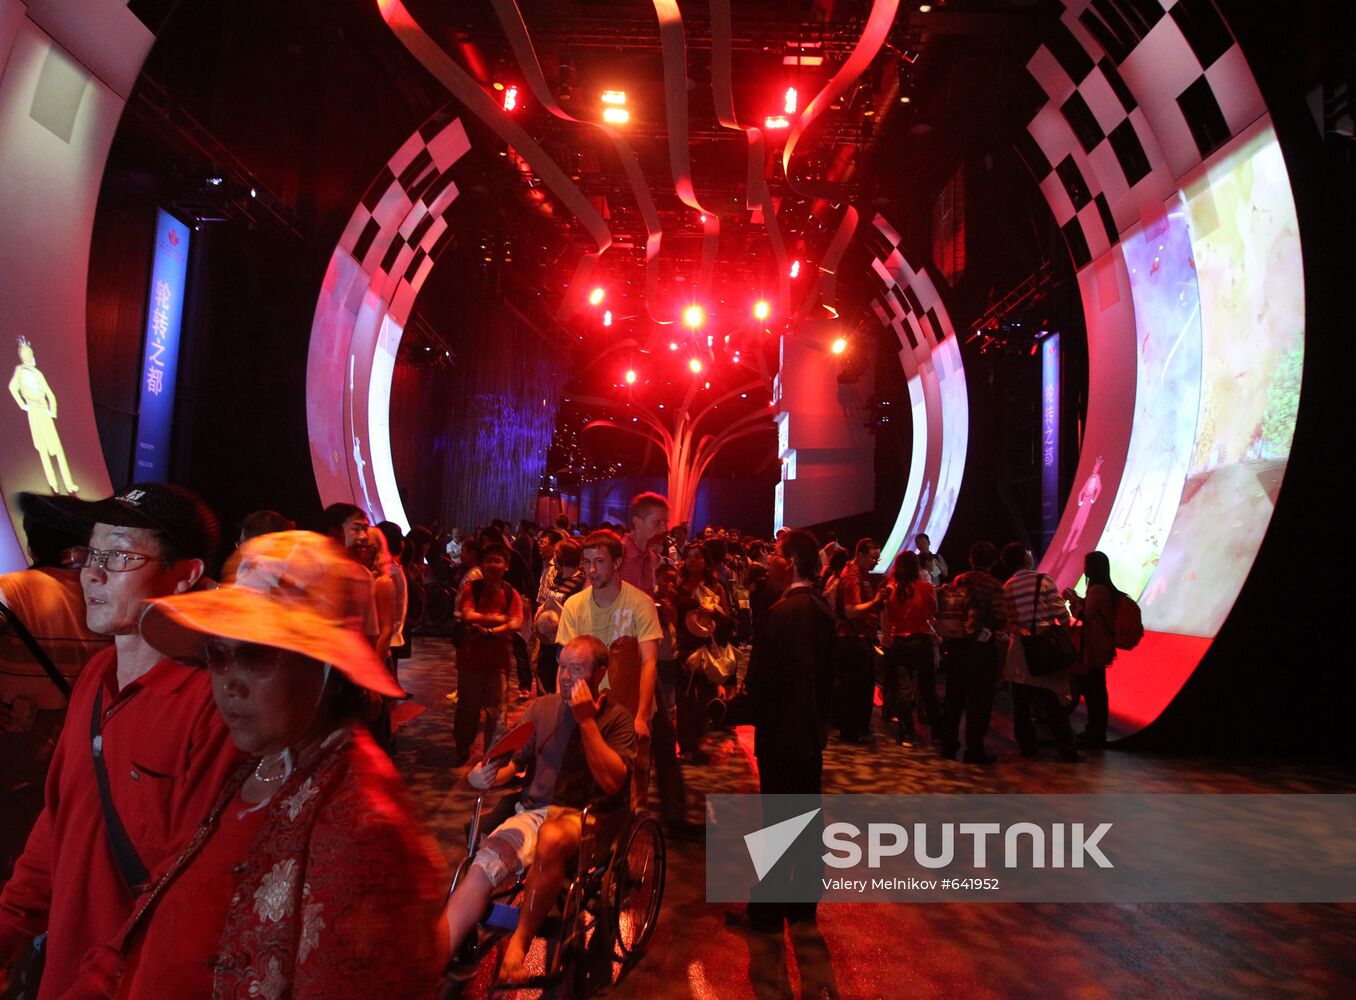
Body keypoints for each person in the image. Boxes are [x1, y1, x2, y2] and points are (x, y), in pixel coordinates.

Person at [68, 530, 446, 998]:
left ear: (324, 668)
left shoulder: (363, 822)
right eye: (218, 656)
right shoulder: (258, 767)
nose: (230, 683)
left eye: (257, 654)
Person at [0, 483, 239, 999]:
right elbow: (58, 824)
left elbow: (191, 895)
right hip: (65, 973)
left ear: (186, 576)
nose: (93, 572)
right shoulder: (95, 676)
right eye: (91, 552)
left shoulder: (212, 705)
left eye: (122, 556)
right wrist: (9, 929)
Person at [443, 635, 635, 986]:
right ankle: (438, 954)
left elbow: (613, 782)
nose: (564, 676)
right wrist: (484, 776)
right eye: (562, 666)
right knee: (486, 859)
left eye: (575, 669)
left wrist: (587, 722)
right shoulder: (542, 708)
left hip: (589, 817)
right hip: (534, 811)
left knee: (551, 836)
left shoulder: (616, 719)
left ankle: (518, 947)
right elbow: (512, 763)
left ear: (599, 673)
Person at [730, 529, 836, 932]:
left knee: (777, 819)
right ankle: (804, 902)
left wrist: (734, 711)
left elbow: (761, 681)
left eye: (775, 553)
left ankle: (767, 910)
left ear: (789, 561)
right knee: (808, 817)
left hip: (780, 732)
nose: (770, 559)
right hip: (810, 732)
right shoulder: (824, 611)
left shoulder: (780, 613)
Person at [0, 497, 111, 872]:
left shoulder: (11, 590)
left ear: (31, 541)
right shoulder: (99, 594)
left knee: (14, 842)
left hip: (20, 737)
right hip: (86, 733)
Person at [556, 531, 660, 810]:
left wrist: (641, 716)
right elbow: (563, 662)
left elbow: (649, 661)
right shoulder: (574, 606)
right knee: (588, 781)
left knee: (634, 790)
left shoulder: (641, 604)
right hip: (588, 708)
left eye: (599, 561)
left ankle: (634, 842)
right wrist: (561, 708)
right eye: (587, 562)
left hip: (629, 707)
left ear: (616, 562)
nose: (591, 570)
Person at [1001, 543, 1081, 761]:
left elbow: (1008, 621)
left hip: (1019, 651)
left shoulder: (1007, 586)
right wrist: (1065, 635)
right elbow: (1060, 613)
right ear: (1026, 558)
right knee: (1055, 700)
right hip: (1046, 647)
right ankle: (1067, 749)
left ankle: (1027, 748)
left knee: (1021, 704)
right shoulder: (1042, 580)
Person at [452, 543, 523, 767]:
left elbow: (517, 623)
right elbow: (467, 615)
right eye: (489, 560)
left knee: (496, 711)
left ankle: (491, 755)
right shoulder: (472, 588)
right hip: (471, 660)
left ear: (506, 566)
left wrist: (489, 628)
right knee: (467, 708)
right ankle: (462, 747)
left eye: (497, 561)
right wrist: (501, 620)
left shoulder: (511, 593)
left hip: (498, 662)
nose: (493, 565)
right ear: (481, 565)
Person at [940, 540, 1008, 764]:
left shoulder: (959, 580)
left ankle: (948, 745)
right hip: (980, 650)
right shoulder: (993, 584)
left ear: (971, 559)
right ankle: (974, 749)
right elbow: (1000, 616)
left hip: (956, 644)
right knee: (978, 701)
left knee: (954, 698)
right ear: (993, 561)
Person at [673, 541, 733, 761]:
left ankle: (697, 736)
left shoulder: (715, 586)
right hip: (685, 648)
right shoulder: (679, 585)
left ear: (706, 561)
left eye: (698, 556)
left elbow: (726, 618)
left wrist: (712, 608)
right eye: (689, 556)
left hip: (708, 648)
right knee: (684, 698)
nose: (692, 560)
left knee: (705, 698)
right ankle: (688, 747)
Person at [879, 551, 940, 747]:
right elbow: (933, 614)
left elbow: (887, 619)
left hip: (899, 642)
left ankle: (906, 735)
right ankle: (938, 733)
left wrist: (887, 638)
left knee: (903, 690)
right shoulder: (927, 587)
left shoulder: (890, 590)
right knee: (928, 689)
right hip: (922, 640)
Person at [1062, 550, 1119, 748]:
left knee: (1092, 689)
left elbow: (1084, 615)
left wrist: (1072, 601)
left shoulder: (1096, 590)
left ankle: (1096, 731)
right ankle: (1095, 729)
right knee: (1097, 688)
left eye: (1085, 564)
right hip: (1100, 645)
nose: (1083, 567)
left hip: (1093, 647)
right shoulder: (1104, 589)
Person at [833, 538, 886, 745]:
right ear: (861, 555)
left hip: (860, 638)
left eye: (877, 558)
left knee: (862, 687)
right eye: (873, 557)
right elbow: (851, 610)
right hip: (853, 640)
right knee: (854, 688)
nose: (876, 562)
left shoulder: (860, 576)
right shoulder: (852, 578)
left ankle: (858, 727)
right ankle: (850, 730)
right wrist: (875, 601)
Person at [534, 539, 585, 694]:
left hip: (563, 641)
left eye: (556, 555)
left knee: (557, 680)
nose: (553, 559)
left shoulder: (580, 582)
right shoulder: (557, 577)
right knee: (542, 675)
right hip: (546, 639)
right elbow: (547, 600)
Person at [619, 492, 669, 596]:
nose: (665, 529)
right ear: (637, 522)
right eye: (658, 522)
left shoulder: (650, 557)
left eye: (665, 522)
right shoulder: (616, 554)